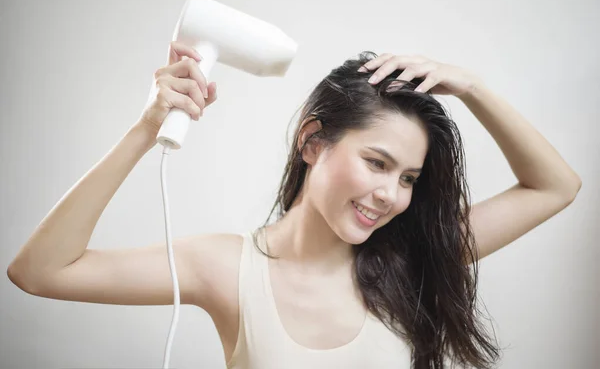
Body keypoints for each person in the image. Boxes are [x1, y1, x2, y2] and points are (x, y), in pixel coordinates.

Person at [7, 41, 582, 369]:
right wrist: (147, 127)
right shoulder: (227, 269)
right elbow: (40, 271)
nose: (391, 194)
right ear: (312, 142)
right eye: (377, 163)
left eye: (408, 177)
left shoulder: (414, 259)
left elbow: (555, 186)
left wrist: (473, 87)